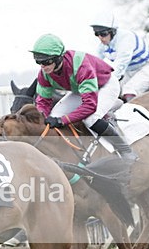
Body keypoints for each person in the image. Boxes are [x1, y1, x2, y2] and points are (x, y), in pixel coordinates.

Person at [31, 33, 137, 161]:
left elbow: (89, 106)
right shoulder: (44, 73)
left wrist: (62, 121)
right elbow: (43, 103)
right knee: (54, 115)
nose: (43, 66)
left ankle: (125, 149)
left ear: (59, 57)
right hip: (81, 89)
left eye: (46, 61)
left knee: (90, 119)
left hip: (106, 85)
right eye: (39, 62)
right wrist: (44, 118)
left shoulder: (81, 66)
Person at [90, 13, 149, 102]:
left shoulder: (126, 38)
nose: (100, 37)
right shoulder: (103, 46)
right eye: (97, 34)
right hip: (129, 71)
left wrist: (104, 83)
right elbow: (93, 64)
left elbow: (120, 64)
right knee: (112, 93)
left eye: (103, 34)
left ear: (113, 31)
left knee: (128, 90)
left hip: (147, 67)